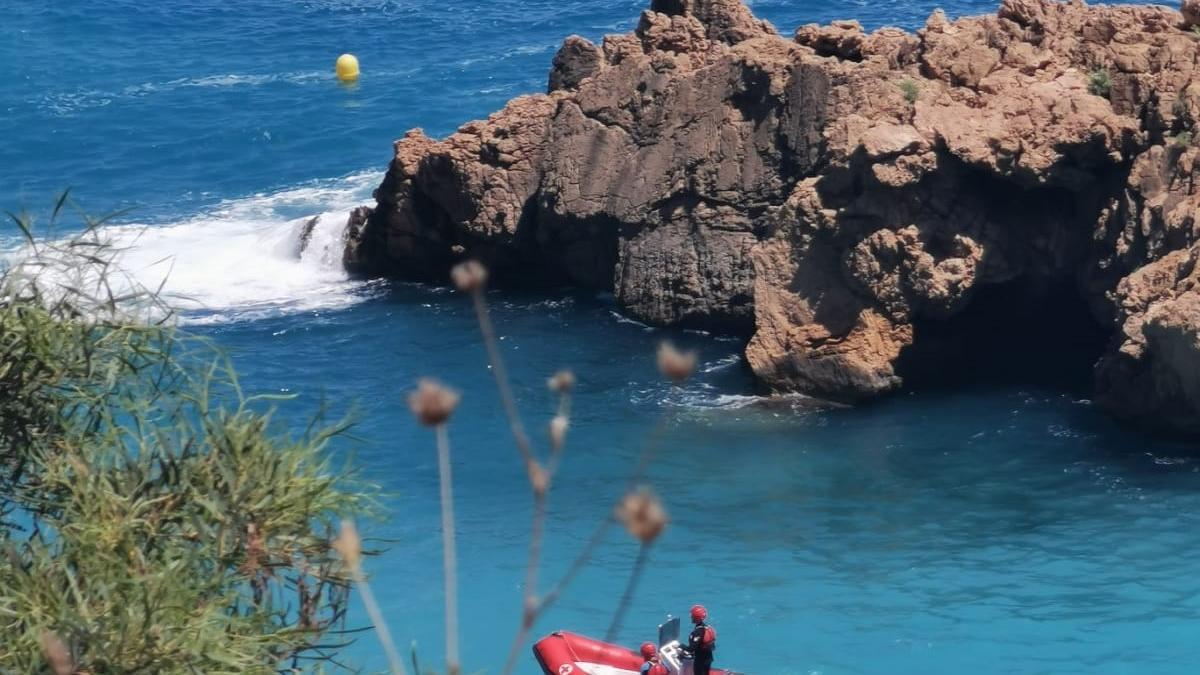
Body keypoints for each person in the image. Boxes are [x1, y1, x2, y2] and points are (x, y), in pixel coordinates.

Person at [685, 604, 716, 675]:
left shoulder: (697, 632)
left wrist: (681, 646)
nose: (691, 617)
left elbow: (691, 649)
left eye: (692, 616)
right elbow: (712, 646)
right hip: (709, 658)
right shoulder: (707, 627)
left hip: (700, 660)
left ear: (696, 618)